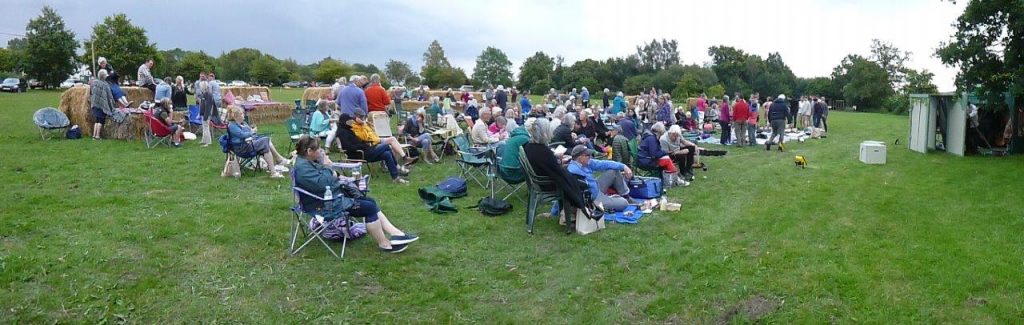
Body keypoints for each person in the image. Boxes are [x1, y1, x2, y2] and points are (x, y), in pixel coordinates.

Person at [292, 136, 419, 254]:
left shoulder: (305, 162)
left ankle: (397, 234)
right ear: (309, 151)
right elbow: (323, 182)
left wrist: (332, 173)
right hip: (325, 205)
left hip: (329, 198)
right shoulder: (303, 169)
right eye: (318, 149)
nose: (320, 151)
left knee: (369, 201)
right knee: (369, 208)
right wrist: (328, 167)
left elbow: (324, 181)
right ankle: (384, 244)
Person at [335, 114, 410, 184]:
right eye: (349, 121)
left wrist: (364, 143)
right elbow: (348, 147)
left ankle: (395, 177)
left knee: (387, 154)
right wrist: (362, 146)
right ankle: (397, 167)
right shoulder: (342, 133)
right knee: (386, 146)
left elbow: (357, 141)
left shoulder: (349, 130)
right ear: (344, 122)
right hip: (359, 154)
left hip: (365, 151)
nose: (351, 122)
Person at [225, 106, 290, 178]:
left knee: (265, 142)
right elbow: (242, 135)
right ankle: (276, 166)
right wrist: (252, 132)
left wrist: (252, 132)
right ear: (236, 116)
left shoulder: (243, 123)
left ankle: (275, 167)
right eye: (242, 114)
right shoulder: (232, 126)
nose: (244, 115)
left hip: (247, 144)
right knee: (265, 141)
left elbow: (248, 133)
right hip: (242, 148)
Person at [567, 144, 634, 212]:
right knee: (624, 203)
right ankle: (606, 202)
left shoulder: (586, 162)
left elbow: (604, 163)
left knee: (613, 170)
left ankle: (625, 195)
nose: (590, 157)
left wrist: (624, 166)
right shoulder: (573, 171)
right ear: (580, 157)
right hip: (593, 198)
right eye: (587, 155)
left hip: (596, 188)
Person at [350, 113, 418, 166]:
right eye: (361, 117)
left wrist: (368, 125)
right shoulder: (355, 127)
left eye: (363, 117)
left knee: (392, 139)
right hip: (372, 143)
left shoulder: (364, 124)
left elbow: (372, 132)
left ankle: (405, 158)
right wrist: (363, 125)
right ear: (356, 117)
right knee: (390, 147)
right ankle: (396, 165)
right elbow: (364, 137)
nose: (363, 119)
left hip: (377, 139)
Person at [90, 69, 117, 140]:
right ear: (104, 76)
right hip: (102, 106)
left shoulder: (95, 83)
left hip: (95, 104)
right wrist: (113, 104)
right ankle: (97, 136)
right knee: (100, 121)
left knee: (96, 120)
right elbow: (109, 96)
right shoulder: (105, 84)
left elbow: (91, 93)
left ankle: (94, 135)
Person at [197, 78, 217, 147]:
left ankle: (208, 142)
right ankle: (204, 140)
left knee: (206, 127)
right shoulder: (205, 93)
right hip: (205, 113)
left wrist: (205, 115)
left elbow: (208, 106)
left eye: (200, 87)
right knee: (204, 127)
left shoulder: (207, 94)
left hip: (207, 114)